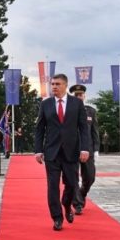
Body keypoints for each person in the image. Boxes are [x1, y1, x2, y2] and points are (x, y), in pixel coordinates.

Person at [34, 74, 90, 231]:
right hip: (52, 152)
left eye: (58, 84)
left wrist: (85, 148)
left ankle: (66, 205)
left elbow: (83, 127)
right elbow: (40, 129)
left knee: (72, 184)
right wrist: (38, 150)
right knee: (52, 186)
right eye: (52, 84)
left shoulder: (76, 104)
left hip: (71, 151)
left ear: (65, 85)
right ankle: (57, 218)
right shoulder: (46, 104)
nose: (54, 87)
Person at [69, 84, 99, 215]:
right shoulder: (66, 111)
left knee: (90, 177)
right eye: (76, 95)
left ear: (84, 96)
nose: (78, 97)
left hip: (88, 149)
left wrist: (96, 149)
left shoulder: (91, 111)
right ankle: (77, 204)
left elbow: (95, 132)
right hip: (72, 149)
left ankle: (81, 195)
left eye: (80, 95)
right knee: (73, 178)